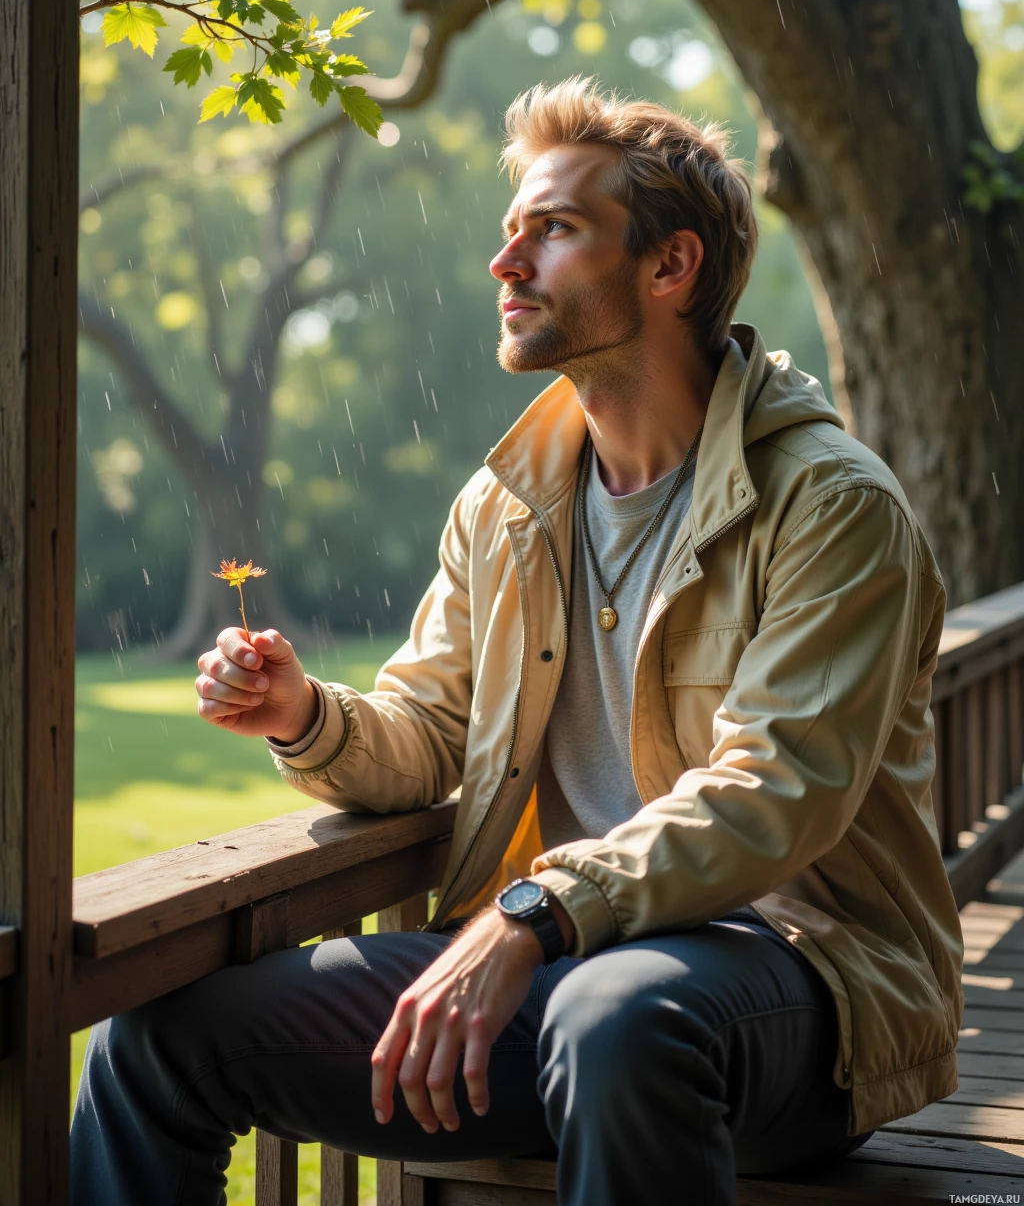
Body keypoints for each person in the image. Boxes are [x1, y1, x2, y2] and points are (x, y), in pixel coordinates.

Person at [71, 79, 964, 1206]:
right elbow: (430, 732)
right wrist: (308, 717)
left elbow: (775, 791)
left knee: (619, 1021)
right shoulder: (505, 505)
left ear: (668, 267)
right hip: (553, 967)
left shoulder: (832, 507)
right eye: (510, 233)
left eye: (553, 230)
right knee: (160, 1042)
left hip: (799, 982)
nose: (505, 264)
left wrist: (536, 912)